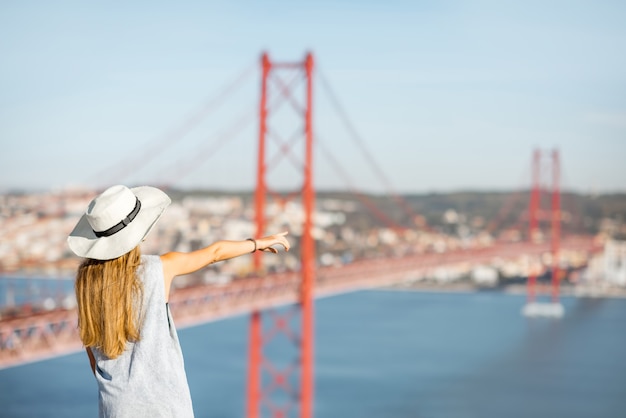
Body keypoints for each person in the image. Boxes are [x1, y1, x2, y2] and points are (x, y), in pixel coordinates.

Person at [67, 184, 290, 418]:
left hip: (117, 407)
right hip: (165, 406)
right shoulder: (157, 269)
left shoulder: (85, 283)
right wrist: (258, 243)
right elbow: (214, 253)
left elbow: (93, 354)